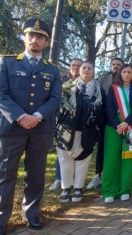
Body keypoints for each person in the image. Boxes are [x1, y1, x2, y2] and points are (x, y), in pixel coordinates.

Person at [0, 18, 62, 234]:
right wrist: (21, 116)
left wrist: (37, 116)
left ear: (46, 42)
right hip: (10, 128)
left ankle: (31, 214)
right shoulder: (8, 62)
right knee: (5, 174)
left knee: (36, 174)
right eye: (31, 35)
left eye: (40, 37)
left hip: (40, 129)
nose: (35, 40)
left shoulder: (53, 70)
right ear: (25, 38)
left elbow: (55, 99)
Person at [55, 61, 106, 203]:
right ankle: (66, 189)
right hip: (67, 130)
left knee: (83, 160)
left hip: (88, 131)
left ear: (93, 72)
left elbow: (103, 111)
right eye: (84, 68)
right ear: (79, 70)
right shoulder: (67, 87)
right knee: (65, 160)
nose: (86, 70)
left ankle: (78, 188)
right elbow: (57, 107)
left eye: (90, 68)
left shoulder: (99, 90)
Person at [102, 64, 132, 203]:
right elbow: (109, 107)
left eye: (129, 72)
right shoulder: (113, 88)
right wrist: (117, 125)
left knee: (128, 158)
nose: (126, 74)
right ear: (120, 73)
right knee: (111, 159)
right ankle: (109, 191)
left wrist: (127, 123)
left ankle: (124, 189)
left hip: (131, 126)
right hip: (114, 127)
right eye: (124, 72)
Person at [87, 57, 124, 190]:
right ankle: (98, 175)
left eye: (118, 64)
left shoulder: (125, 80)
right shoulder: (103, 79)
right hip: (105, 119)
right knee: (102, 148)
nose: (116, 66)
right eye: (113, 64)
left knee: (120, 149)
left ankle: (117, 176)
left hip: (123, 120)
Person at [49, 58, 83, 191]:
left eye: (78, 66)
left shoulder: (85, 83)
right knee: (62, 151)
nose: (75, 68)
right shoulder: (61, 81)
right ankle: (59, 178)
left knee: (77, 152)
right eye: (73, 65)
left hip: (79, 124)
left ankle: (75, 180)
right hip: (62, 122)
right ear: (69, 67)